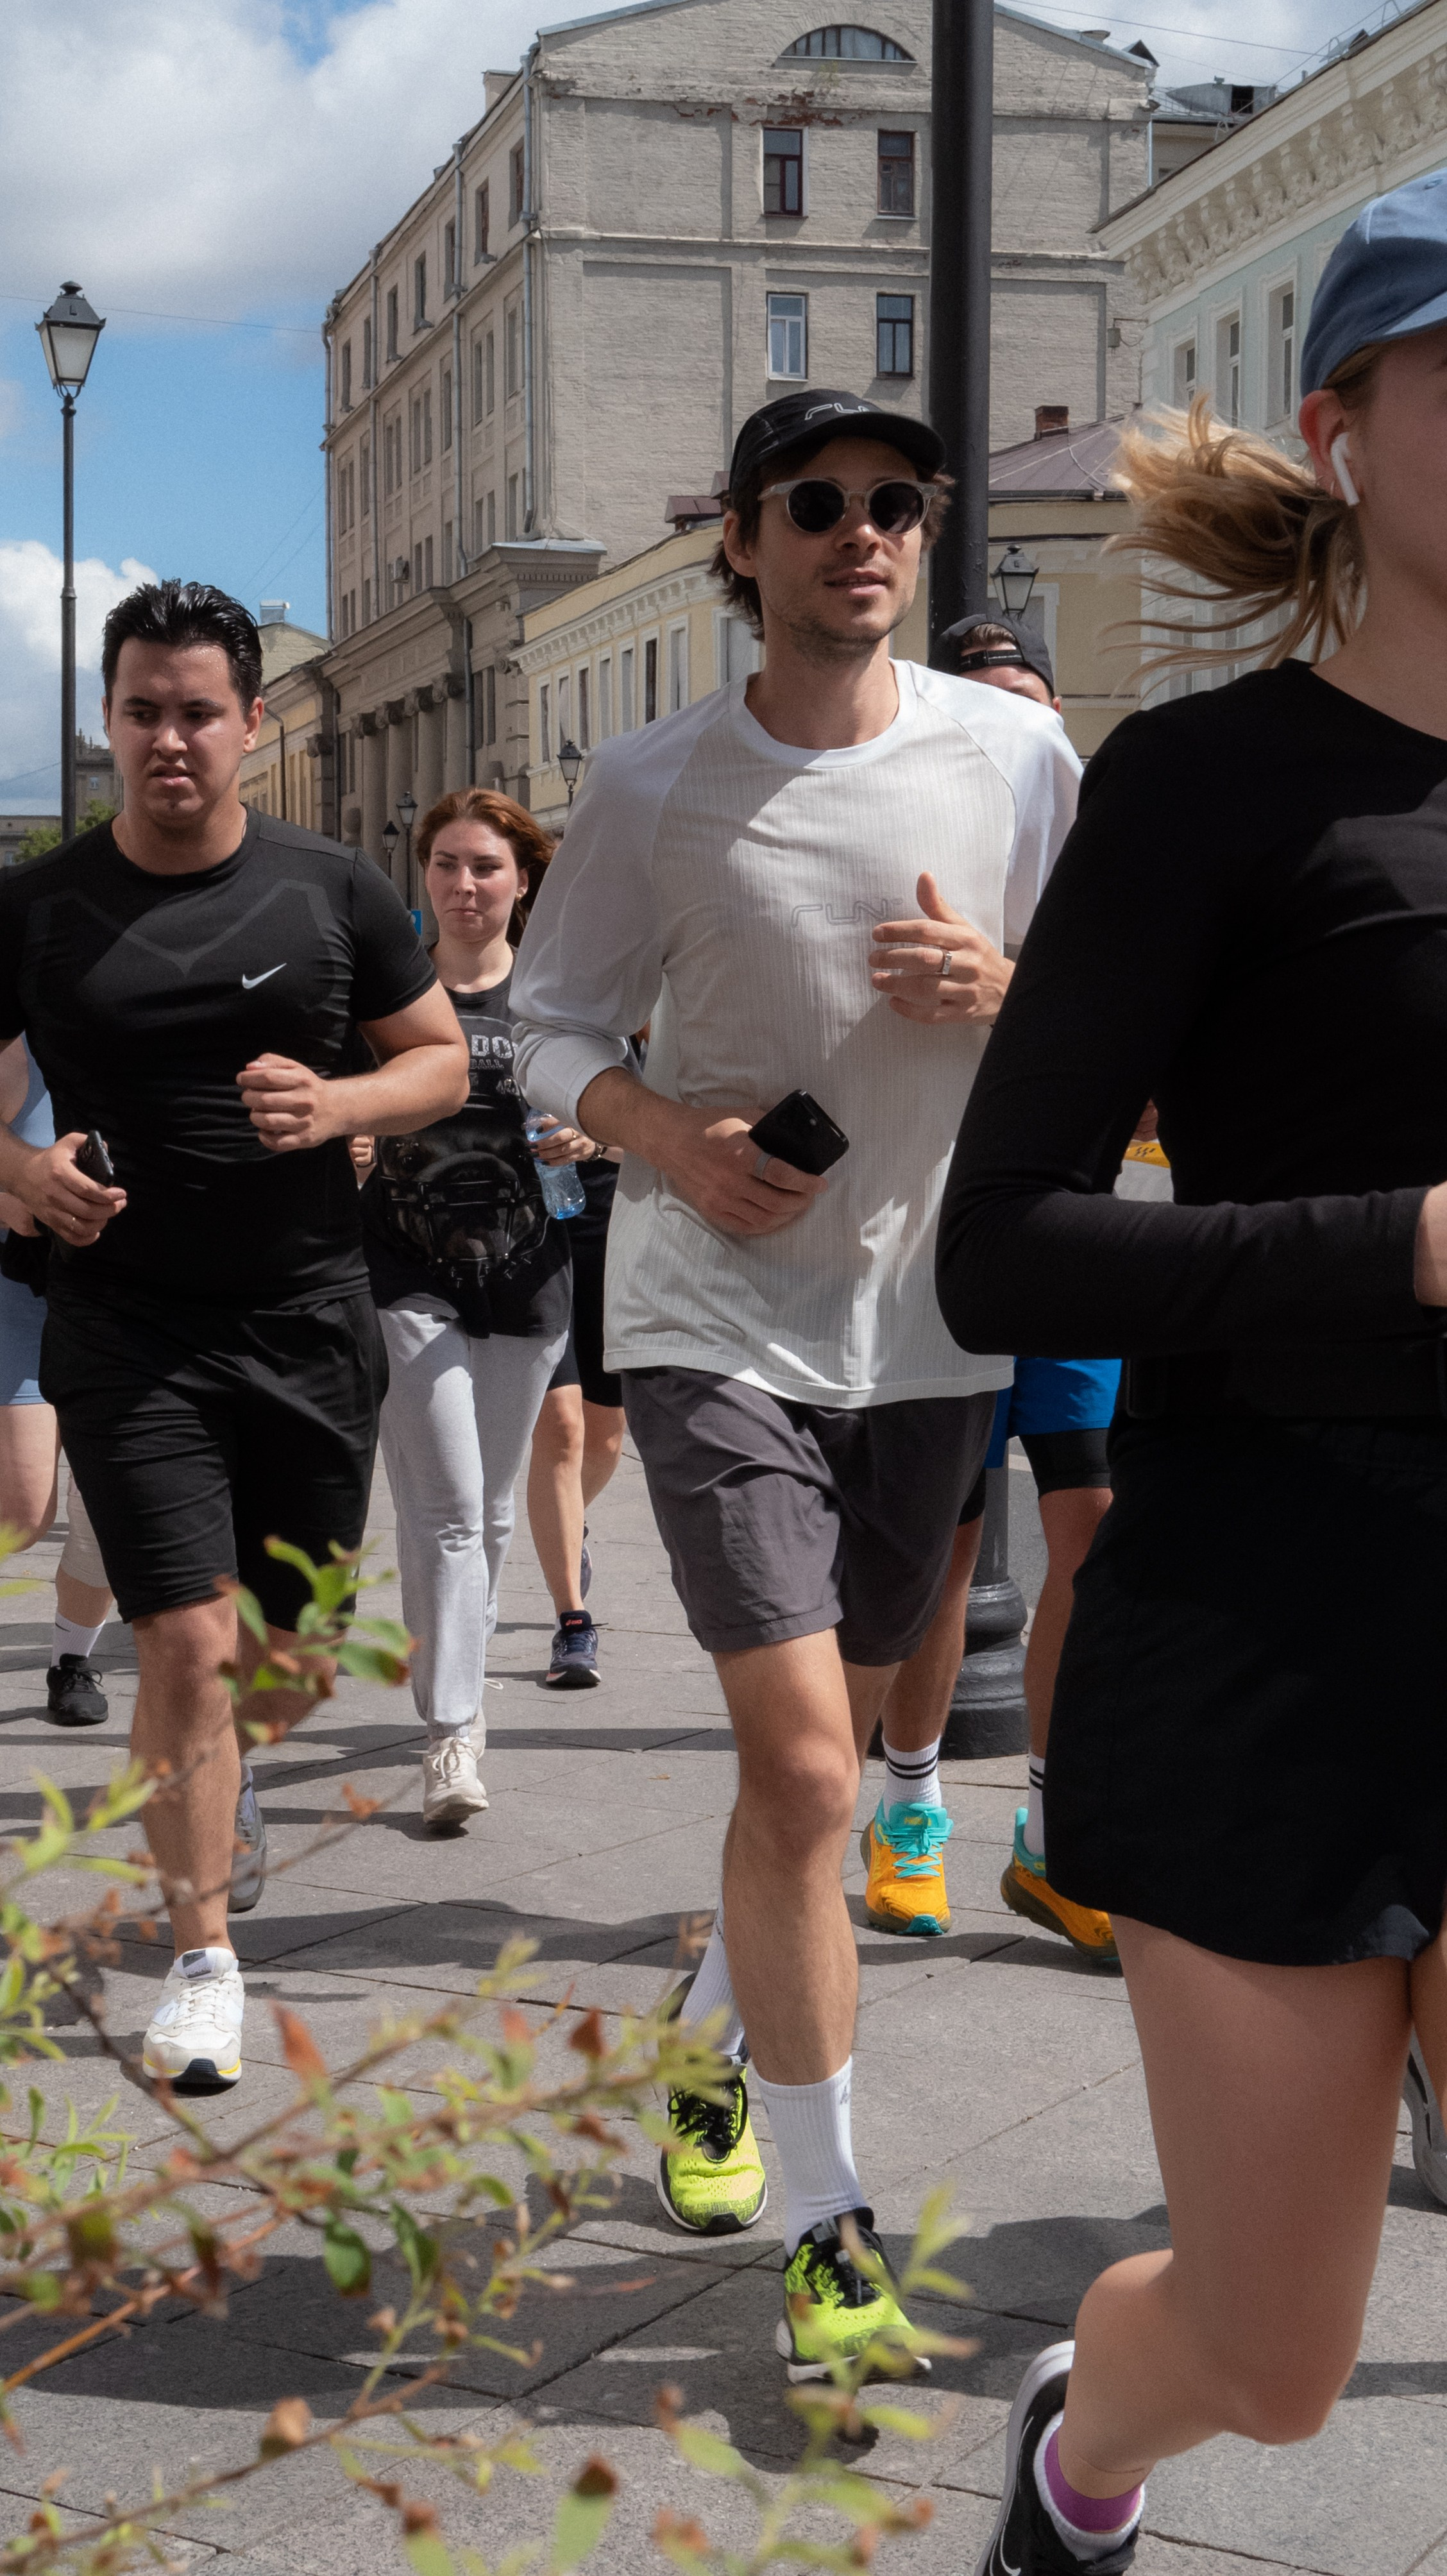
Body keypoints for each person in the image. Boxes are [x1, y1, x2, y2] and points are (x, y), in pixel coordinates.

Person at [938, 173, 1447, 2575]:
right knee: (1277, 2354)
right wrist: (1405, 1251)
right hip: (1278, 1610)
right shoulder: (1212, 787)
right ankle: (1084, 2445)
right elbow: (1005, 1240)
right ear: (1341, 427)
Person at [513, 387, 1079, 2376]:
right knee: (814, 1773)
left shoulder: (1014, 751)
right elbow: (545, 1021)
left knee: (801, 1786)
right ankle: (829, 2217)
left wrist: (1013, 996)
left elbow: (1099, 1009)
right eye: (819, 504)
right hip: (708, 1312)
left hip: (924, 1323)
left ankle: (700, 2048)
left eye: (896, 506)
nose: (864, 532)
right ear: (739, 543)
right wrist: (659, 1139)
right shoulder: (652, 780)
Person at [0, 580, 468, 2096]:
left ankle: (229, 1768)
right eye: (142, 709)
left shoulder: (332, 890)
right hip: (128, 1327)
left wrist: (337, 1104)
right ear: (110, 719)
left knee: (281, 1654)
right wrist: (24, 1174)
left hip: (307, 1317)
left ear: (252, 724)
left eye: (199, 710)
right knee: (184, 1643)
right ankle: (203, 1954)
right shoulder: (43, 905)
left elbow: (445, 1066)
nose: (170, 738)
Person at [865, 614, 1120, 1958]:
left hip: (1070, 1240)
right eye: (984, 704)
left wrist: (1006, 987)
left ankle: (1057, 1831)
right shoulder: (894, 832)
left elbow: (1135, 1028)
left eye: (1032, 705)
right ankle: (908, 1811)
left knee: (1092, 1524)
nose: (1013, 730)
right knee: (945, 1551)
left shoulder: (1100, 853)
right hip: (935, 1247)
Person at [362, 789, 591, 1819]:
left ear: (522, 880)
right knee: (453, 1512)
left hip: (529, 1277)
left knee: (482, 1515)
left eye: (485, 867)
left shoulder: (559, 997)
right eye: (447, 864)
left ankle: (450, 1685)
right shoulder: (385, 996)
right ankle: (452, 1736)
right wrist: (348, 1135)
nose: (465, 884)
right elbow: (336, 1100)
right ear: (425, 876)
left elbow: (622, 1103)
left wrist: (596, 1135)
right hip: (404, 1277)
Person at [0, 1039, 115, 1727]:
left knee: (105, 1512)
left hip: (125, 1298)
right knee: (21, 1510)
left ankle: (74, 1659)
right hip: (24, 1283)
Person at [525, 1130, 629, 1691]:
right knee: (564, 1427)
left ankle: (566, 1522)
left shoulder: (626, 1036)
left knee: (607, 1436)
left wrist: (595, 1140)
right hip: (524, 1229)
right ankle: (573, 1621)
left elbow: (660, 1128)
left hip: (607, 1224)